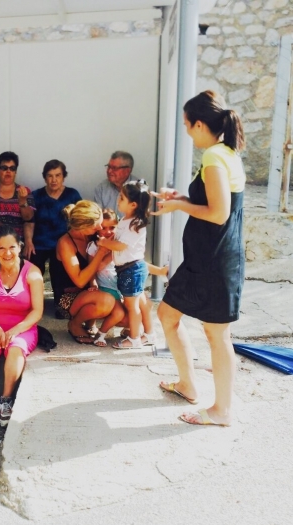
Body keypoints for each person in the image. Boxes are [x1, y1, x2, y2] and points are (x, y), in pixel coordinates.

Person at [152, 90, 246, 427]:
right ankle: (188, 384)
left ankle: (221, 410)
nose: (187, 132)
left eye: (187, 126)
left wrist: (178, 206)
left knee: (217, 336)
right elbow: (210, 200)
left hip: (216, 262)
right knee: (166, 315)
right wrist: (178, 197)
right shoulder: (222, 153)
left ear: (201, 124)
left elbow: (219, 213)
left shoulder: (215, 158)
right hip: (200, 261)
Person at [0, 226, 44, 427]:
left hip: (23, 327)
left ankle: (6, 400)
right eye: (1, 248)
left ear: (20, 247)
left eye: (12, 247)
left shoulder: (32, 272)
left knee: (15, 350)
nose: (7, 253)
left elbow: (37, 311)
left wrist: (15, 330)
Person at [87, 208, 169, 347]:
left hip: (124, 285)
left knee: (145, 304)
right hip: (108, 289)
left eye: (112, 227)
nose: (107, 232)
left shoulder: (121, 244)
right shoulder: (95, 246)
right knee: (123, 312)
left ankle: (140, 333)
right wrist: (108, 250)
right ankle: (107, 334)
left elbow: (137, 263)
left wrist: (160, 271)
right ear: (98, 229)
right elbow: (95, 268)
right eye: (104, 228)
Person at [95, 181, 155, 349]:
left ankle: (134, 338)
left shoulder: (134, 224)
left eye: (121, 198)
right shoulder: (125, 221)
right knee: (140, 302)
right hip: (127, 269)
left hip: (132, 269)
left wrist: (105, 243)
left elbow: (121, 245)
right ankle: (149, 334)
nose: (118, 200)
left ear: (133, 204)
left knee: (132, 305)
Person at [56, 200, 125, 343]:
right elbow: (80, 281)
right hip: (68, 296)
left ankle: (89, 324)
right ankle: (74, 324)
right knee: (106, 301)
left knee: (128, 319)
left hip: (94, 292)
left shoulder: (92, 236)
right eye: (97, 225)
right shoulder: (65, 243)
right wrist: (101, 252)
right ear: (83, 226)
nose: (100, 227)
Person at [24, 160, 82, 305]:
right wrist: (29, 242)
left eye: (58, 175)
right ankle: (30, 304)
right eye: (50, 176)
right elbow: (29, 221)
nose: (54, 180)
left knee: (60, 273)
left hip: (64, 244)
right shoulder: (36, 195)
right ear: (45, 177)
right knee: (31, 270)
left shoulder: (72, 195)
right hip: (40, 243)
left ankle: (61, 305)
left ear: (64, 176)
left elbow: (80, 222)